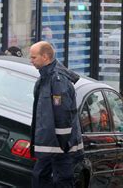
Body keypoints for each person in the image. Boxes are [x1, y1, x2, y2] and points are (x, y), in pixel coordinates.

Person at [29, 41, 83, 187]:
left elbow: (63, 114)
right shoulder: (44, 79)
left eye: (34, 57)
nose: (31, 61)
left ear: (45, 57)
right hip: (50, 144)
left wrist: (63, 143)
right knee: (39, 177)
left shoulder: (57, 80)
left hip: (61, 145)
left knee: (62, 181)